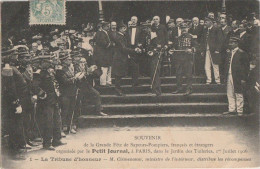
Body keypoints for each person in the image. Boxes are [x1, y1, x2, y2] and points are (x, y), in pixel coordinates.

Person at [31, 56, 66, 150]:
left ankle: (57, 140)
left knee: (57, 121)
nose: (50, 62)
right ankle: (47, 143)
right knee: (48, 122)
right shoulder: (38, 73)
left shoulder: (50, 71)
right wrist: (42, 94)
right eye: (47, 61)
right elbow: (34, 86)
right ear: (42, 62)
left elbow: (55, 83)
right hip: (46, 102)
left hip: (54, 99)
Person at [223, 37, 249, 116]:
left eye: (232, 43)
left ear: (236, 43)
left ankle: (240, 110)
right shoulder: (229, 53)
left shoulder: (242, 53)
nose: (230, 44)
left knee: (238, 92)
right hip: (229, 75)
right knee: (230, 93)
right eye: (230, 42)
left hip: (238, 76)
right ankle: (232, 109)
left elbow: (246, 67)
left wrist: (243, 78)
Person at [113, 23, 141, 96]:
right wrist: (134, 50)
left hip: (121, 57)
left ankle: (118, 90)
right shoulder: (119, 37)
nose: (125, 30)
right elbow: (123, 48)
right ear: (120, 29)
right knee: (118, 75)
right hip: (119, 58)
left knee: (119, 74)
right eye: (124, 28)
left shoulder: (121, 36)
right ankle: (118, 90)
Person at [170, 23, 196, 95]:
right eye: (182, 28)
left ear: (188, 28)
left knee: (188, 74)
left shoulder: (191, 37)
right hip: (179, 58)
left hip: (188, 58)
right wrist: (172, 50)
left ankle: (189, 89)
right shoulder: (178, 38)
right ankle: (179, 88)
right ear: (180, 29)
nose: (184, 29)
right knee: (178, 74)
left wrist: (191, 49)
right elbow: (174, 47)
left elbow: (195, 46)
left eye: (185, 28)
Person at [55, 53, 78, 135]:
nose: (70, 60)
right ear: (64, 61)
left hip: (72, 92)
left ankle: (69, 127)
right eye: (68, 59)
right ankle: (61, 129)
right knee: (64, 111)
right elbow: (64, 81)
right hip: (65, 93)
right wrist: (75, 78)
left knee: (71, 111)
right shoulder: (60, 70)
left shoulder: (70, 68)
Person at [147, 16, 168, 96]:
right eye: (154, 19)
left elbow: (165, 38)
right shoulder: (151, 29)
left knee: (156, 70)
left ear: (159, 20)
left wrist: (165, 45)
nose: (155, 20)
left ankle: (157, 90)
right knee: (153, 70)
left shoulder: (162, 27)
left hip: (159, 50)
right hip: (151, 50)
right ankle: (154, 89)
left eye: (156, 19)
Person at [201, 17, 222, 84]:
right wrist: (202, 50)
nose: (205, 23)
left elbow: (220, 40)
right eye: (205, 22)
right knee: (206, 66)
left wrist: (217, 50)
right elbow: (203, 40)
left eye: (206, 22)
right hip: (207, 50)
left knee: (215, 65)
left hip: (214, 50)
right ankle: (208, 80)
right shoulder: (205, 30)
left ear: (210, 22)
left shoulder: (216, 29)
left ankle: (217, 80)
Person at [94, 21, 113, 87]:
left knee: (108, 68)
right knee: (104, 68)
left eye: (109, 26)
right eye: (107, 26)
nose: (109, 27)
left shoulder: (106, 33)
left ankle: (108, 81)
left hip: (107, 53)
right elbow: (104, 44)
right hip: (103, 54)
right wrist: (111, 44)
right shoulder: (101, 33)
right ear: (103, 27)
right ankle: (103, 82)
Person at [127, 16, 143, 87]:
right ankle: (132, 82)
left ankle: (136, 82)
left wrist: (139, 46)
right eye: (132, 19)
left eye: (134, 20)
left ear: (137, 21)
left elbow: (142, 39)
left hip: (137, 48)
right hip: (129, 48)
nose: (133, 21)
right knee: (132, 65)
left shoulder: (140, 29)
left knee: (136, 65)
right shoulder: (127, 29)